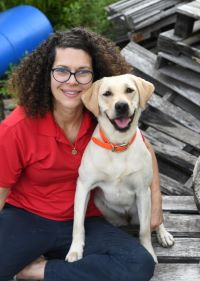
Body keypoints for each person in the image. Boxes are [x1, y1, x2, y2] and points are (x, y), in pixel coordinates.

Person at [0, 27, 162, 281]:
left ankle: (37, 271)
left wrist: (156, 205)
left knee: (139, 264)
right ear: (47, 75)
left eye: (83, 72)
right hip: (27, 219)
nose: (72, 80)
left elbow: (144, 146)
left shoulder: (103, 112)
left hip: (86, 221)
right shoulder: (15, 128)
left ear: (94, 78)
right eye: (62, 71)